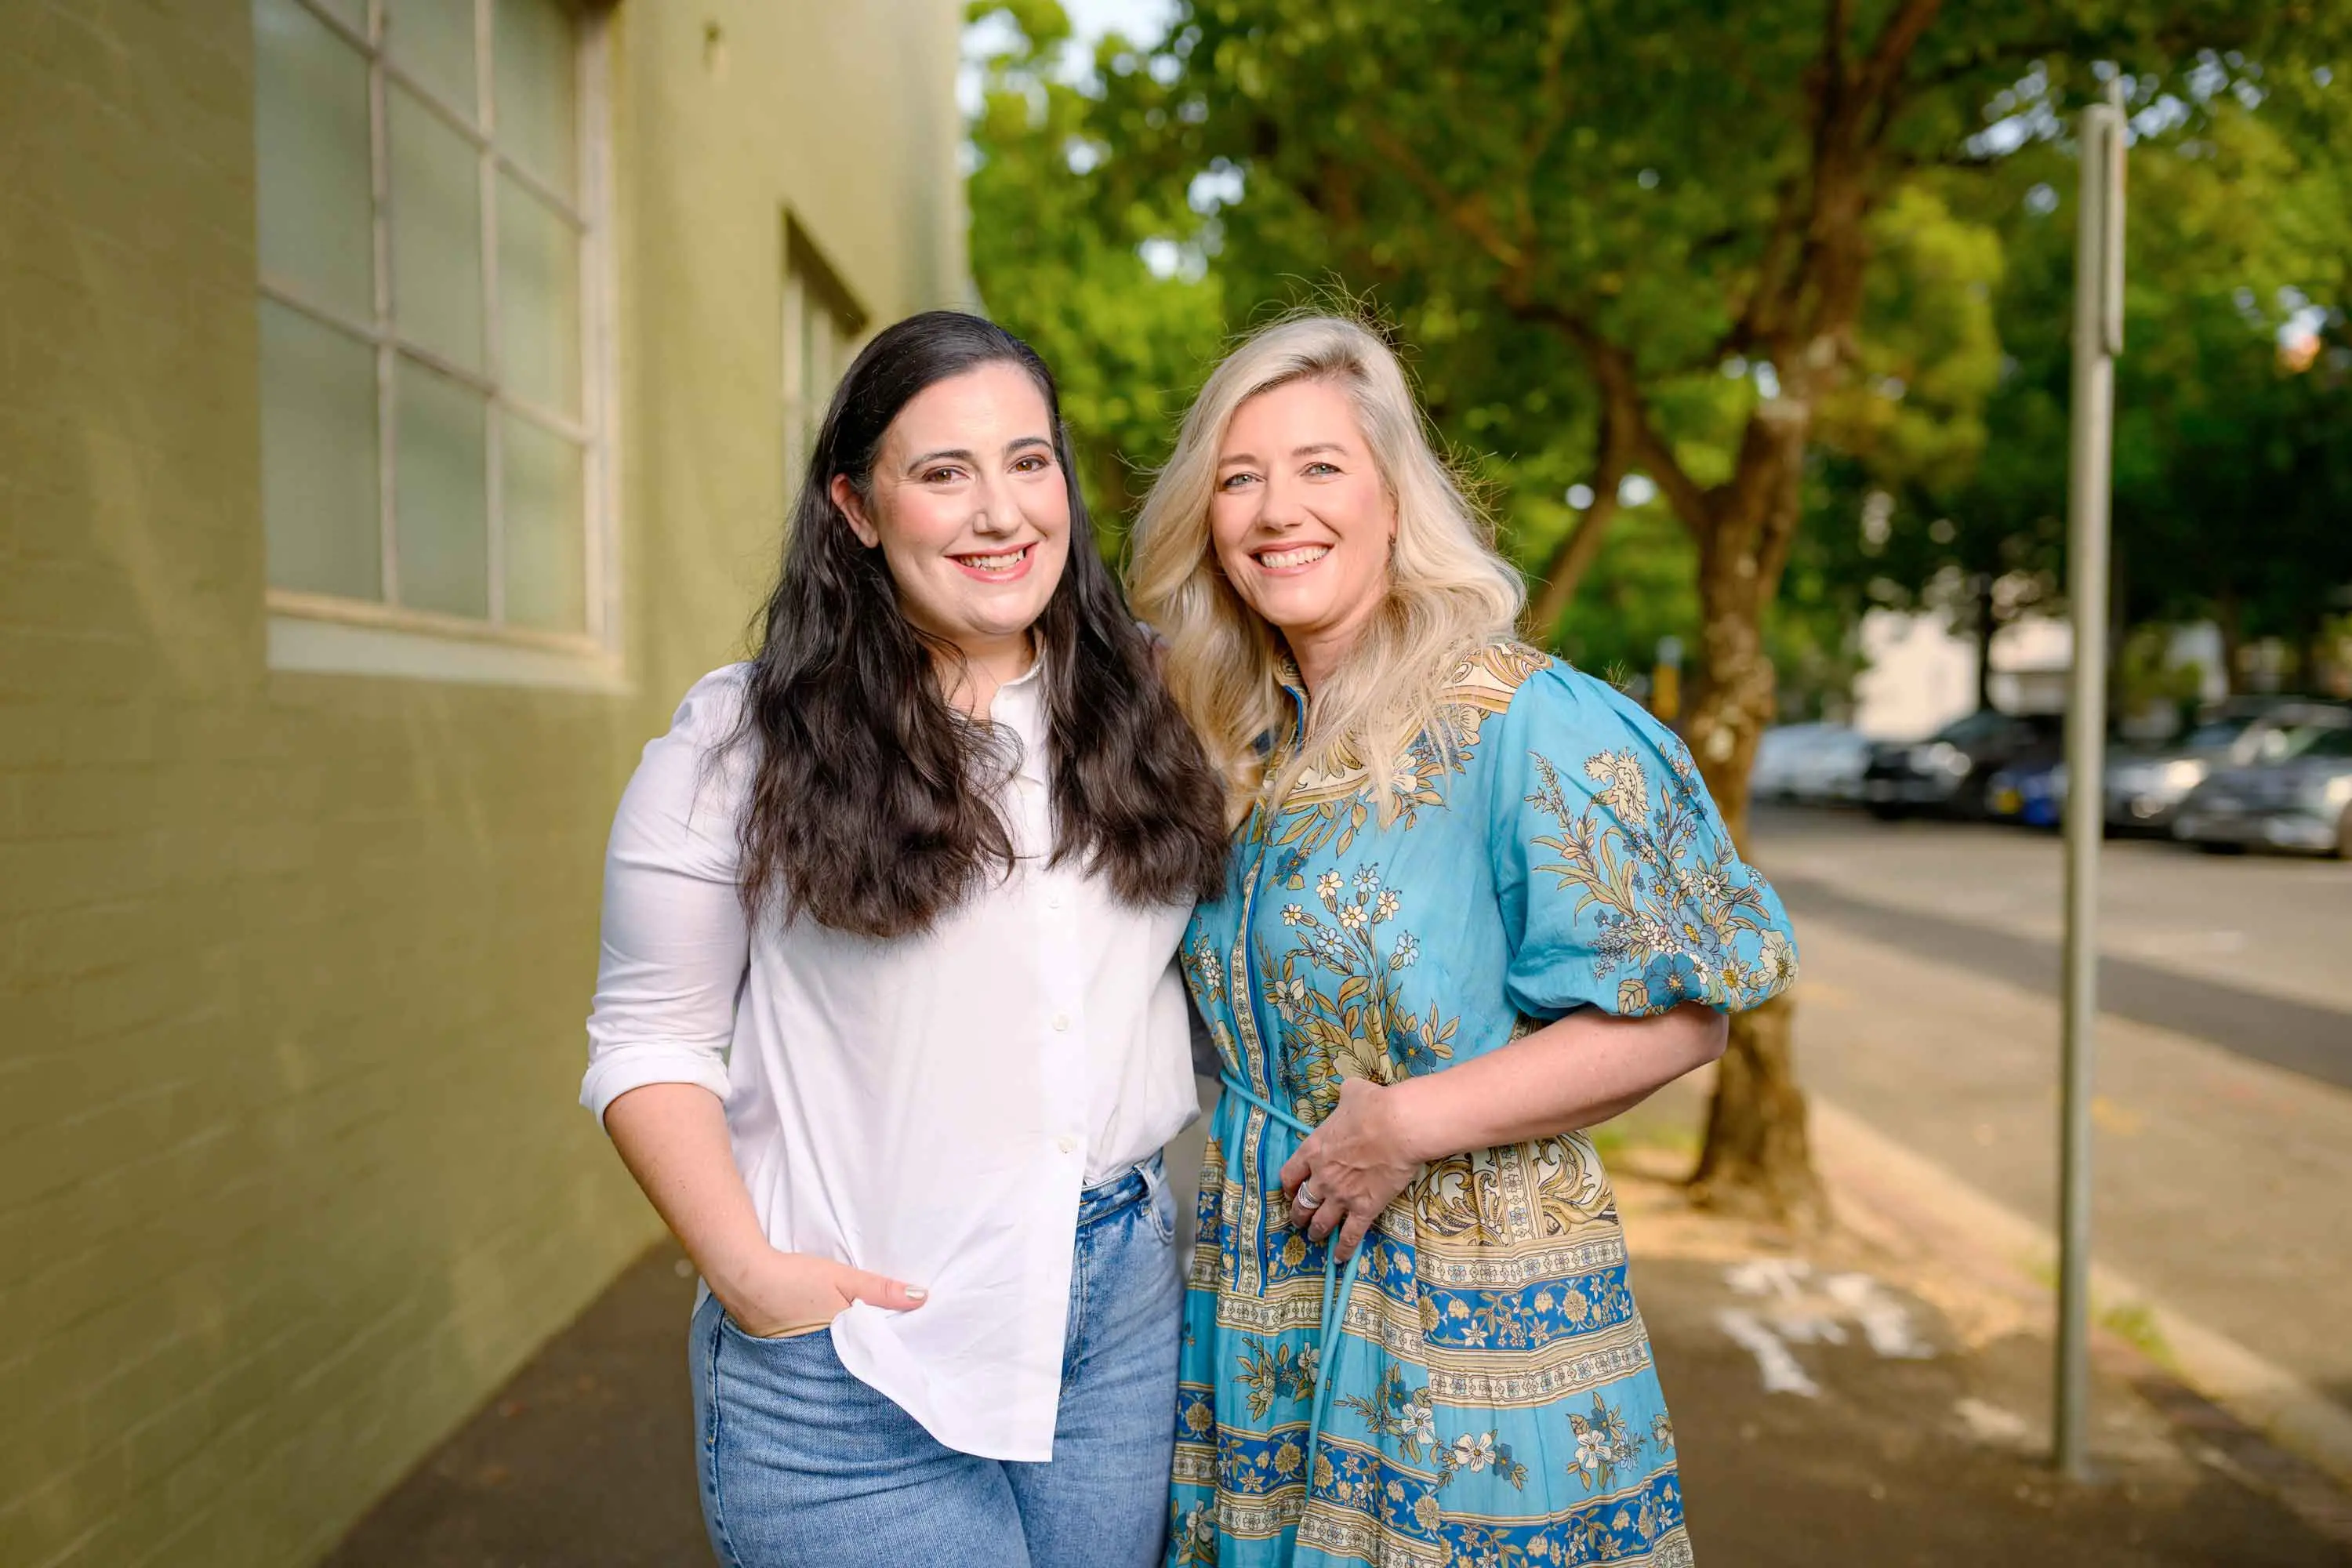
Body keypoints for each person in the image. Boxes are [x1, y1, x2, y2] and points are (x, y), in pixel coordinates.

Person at [1130, 315, 1799, 1567]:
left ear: (1394, 494)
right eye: (1239, 476)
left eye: (1320, 466)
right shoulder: (1240, 744)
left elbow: (1684, 1015)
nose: (1279, 509)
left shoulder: (1526, 723)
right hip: (1259, 1297)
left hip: (1466, 1306)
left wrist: (1409, 1125)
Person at [580, 310, 1230, 1568]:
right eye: (944, 473)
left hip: (1116, 1332)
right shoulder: (740, 744)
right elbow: (648, 1037)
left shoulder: (1160, 708)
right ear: (857, 509)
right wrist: (754, 1280)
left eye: (1028, 462)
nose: (1000, 513)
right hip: (852, 1365)